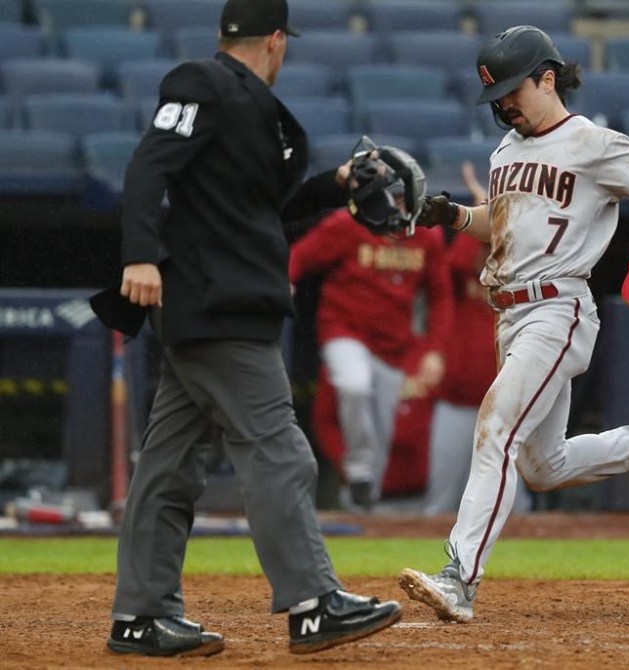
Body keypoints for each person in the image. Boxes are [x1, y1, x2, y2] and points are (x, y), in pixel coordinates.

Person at [103, 0, 402, 657]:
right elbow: (149, 164)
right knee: (278, 448)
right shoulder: (200, 83)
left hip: (218, 302)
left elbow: (262, 207)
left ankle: (140, 616)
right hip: (219, 304)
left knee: (169, 463)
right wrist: (139, 254)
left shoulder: (251, 108)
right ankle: (312, 602)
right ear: (276, 40)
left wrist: (340, 183)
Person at [396, 25, 629, 623]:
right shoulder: (505, 153)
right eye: (497, 98)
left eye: (514, 91)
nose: (505, 105)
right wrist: (457, 216)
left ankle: (459, 576)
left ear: (547, 78)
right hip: (508, 314)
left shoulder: (592, 142)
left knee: (495, 429)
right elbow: (511, 223)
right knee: (543, 465)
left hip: (558, 309)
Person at [288, 152, 453, 512]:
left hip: (393, 345)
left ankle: (364, 502)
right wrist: (286, 281)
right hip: (344, 331)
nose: (400, 204)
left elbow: (440, 298)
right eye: (395, 196)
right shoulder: (348, 226)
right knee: (353, 383)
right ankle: (359, 472)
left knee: (381, 428)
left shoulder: (427, 238)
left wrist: (435, 350)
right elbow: (300, 255)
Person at [422, 162, 531, 515]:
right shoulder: (459, 274)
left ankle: (526, 571)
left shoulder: (521, 269)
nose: (487, 249)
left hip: (504, 407)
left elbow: (510, 236)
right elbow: (462, 255)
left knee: (514, 507)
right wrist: (482, 202)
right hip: (457, 403)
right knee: (440, 504)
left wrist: (492, 209)